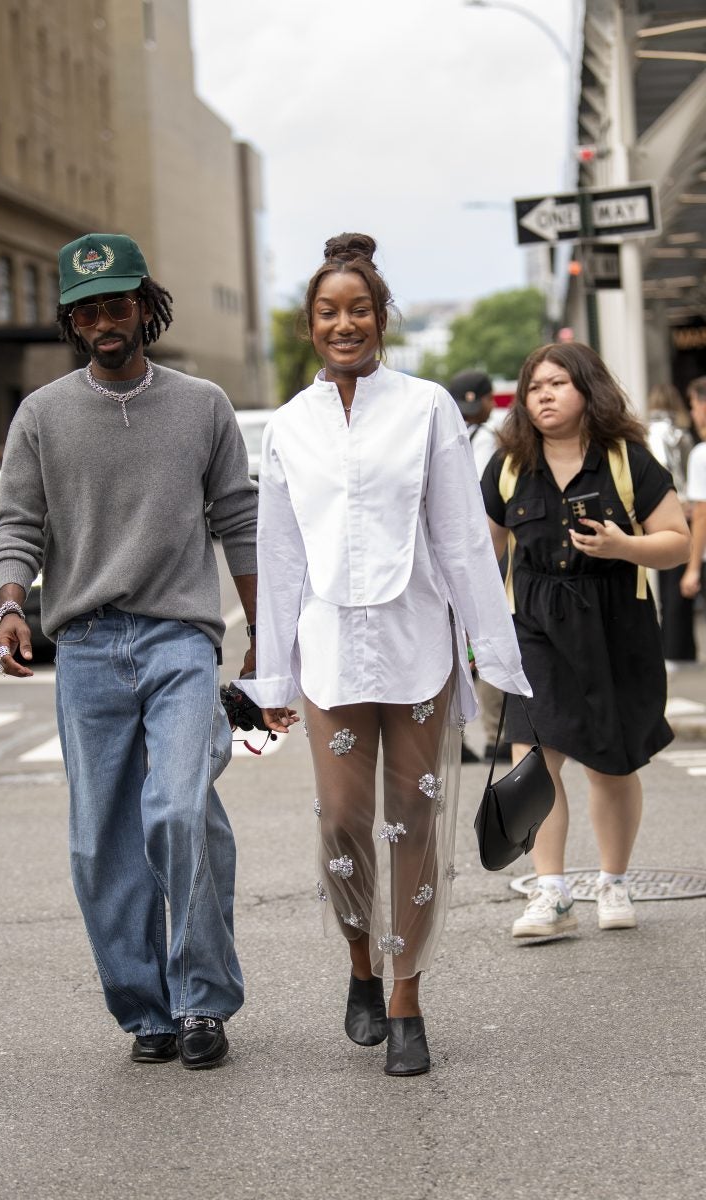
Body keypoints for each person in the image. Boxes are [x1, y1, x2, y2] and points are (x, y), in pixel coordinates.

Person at [236, 233, 530, 1077]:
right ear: (309, 325)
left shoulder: (428, 406)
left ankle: (407, 999)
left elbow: (463, 541)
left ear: (381, 317)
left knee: (414, 822)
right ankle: (360, 963)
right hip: (329, 648)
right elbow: (280, 552)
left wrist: (496, 660)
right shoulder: (290, 425)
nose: (345, 324)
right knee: (341, 820)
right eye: (329, 312)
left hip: (416, 644)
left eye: (359, 309)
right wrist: (272, 677)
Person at [0, 233, 261, 1069]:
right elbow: (18, 526)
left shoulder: (203, 404)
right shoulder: (42, 415)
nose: (105, 321)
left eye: (119, 304)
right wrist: (9, 604)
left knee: (178, 810)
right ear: (73, 321)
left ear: (147, 305)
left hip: (181, 637)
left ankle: (203, 1001)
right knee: (98, 842)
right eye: (88, 309)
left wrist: (267, 640)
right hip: (86, 648)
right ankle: (146, 1010)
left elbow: (239, 520)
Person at [481, 342, 690, 940]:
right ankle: (550, 891)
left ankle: (615, 880)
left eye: (558, 384)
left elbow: (676, 542)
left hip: (616, 626)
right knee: (532, 762)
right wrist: (464, 623)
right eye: (534, 386)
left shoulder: (628, 461)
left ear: (588, 390)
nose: (544, 395)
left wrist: (624, 546)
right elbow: (482, 551)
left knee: (612, 764)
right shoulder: (509, 465)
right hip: (536, 628)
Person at [447, 369, 510, 764]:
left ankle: (453, 739)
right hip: (487, 548)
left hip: (445, 552)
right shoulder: (495, 442)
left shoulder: (440, 438)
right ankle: (494, 735)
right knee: (489, 636)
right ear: (489, 401)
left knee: (452, 642)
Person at [646, 382, 696, 666]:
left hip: (660, 509)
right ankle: (682, 647)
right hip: (686, 509)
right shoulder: (680, 433)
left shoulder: (645, 433)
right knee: (683, 579)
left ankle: (671, 647)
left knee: (667, 583)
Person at [681, 376, 706, 605]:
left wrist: (693, 568)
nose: (692, 413)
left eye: (692, 405)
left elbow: (702, 513)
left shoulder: (701, 455)